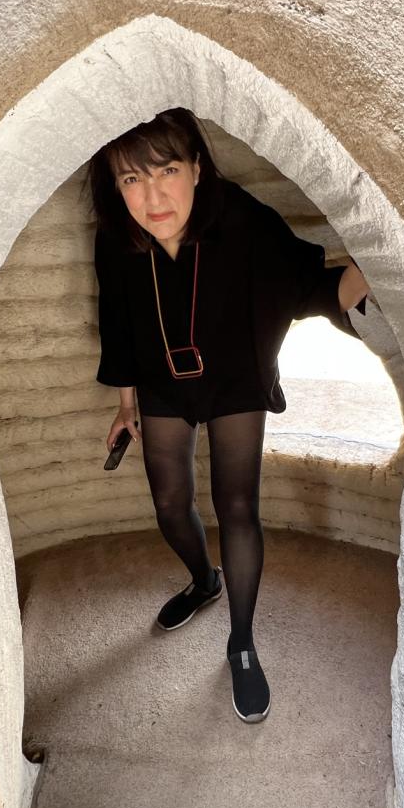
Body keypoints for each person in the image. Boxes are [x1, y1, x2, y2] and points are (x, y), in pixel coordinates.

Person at [87, 108, 370, 724]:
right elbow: (118, 324)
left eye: (166, 171)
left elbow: (309, 283)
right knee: (169, 502)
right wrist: (126, 405)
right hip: (163, 381)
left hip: (236, 378)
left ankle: (241, 640)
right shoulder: (115, 238)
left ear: (196, 167)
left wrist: (380, 269)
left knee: (237, 506)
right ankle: (202, 581)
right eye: (132, 179)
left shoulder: (241, 219)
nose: (152, 195)